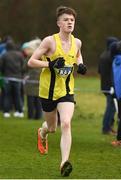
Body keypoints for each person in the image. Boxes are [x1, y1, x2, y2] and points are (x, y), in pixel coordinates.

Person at [28, 6, 87, 177]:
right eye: (66, 20)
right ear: (59, 23)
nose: (70, 22)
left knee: (66, 123)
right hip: (47, 91)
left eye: (72, 20)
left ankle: (64, 163)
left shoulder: (77, 42)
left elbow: (77, 55)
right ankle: (42, 132)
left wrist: (80, 65)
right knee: (53, 128)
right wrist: (50, 64)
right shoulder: (49, 41)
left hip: (66, 91)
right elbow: (31, 62)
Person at [98, 37, 118, 135]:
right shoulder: (111, 57)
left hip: (104, 86)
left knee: (111, 107)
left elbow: (99, 71)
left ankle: (109, 127)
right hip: (111, 86)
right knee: (111, 108)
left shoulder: (102, 56)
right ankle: (106, 128)